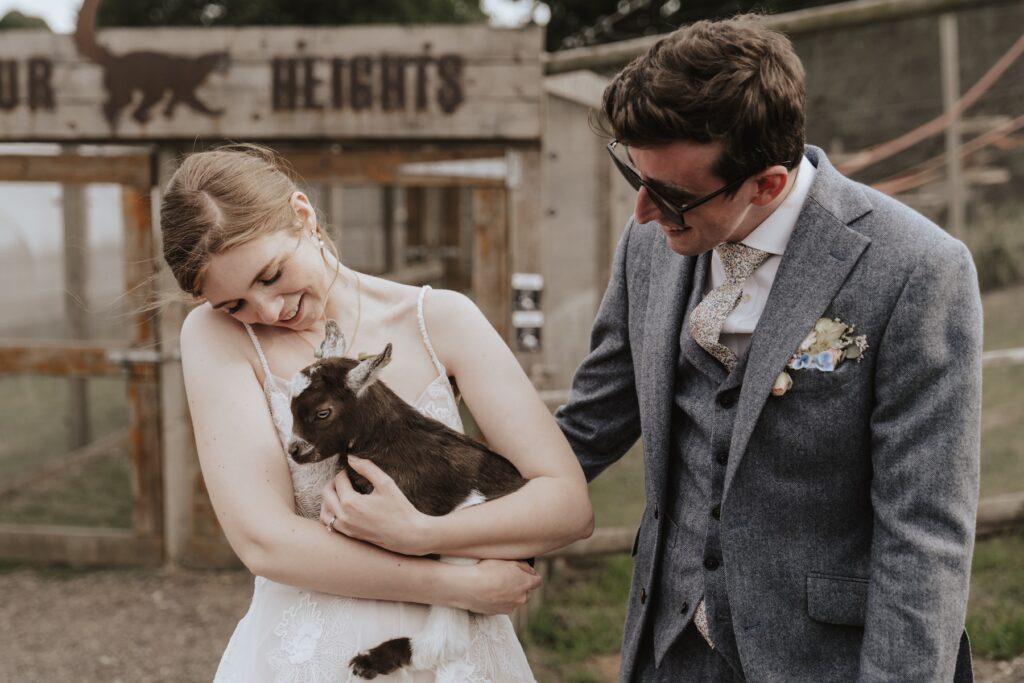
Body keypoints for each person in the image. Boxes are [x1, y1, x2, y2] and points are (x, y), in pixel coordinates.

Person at [554, 15, 981, 683]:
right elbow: (583, 427)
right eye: (633, 175)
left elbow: (924, 533)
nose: (641, 211)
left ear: (768, 185)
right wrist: (431, 515)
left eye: (671, 195)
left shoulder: (917, 269)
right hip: (671, 651)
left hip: (827, 662)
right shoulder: (649, 243)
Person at [160, 144, 594, 682]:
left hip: (457, 657)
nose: (268, 311)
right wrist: (452, 584)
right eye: (235, 303)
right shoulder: (216, 337)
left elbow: (567, 506)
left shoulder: (442, 320)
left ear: (303, 215)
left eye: (270, 275)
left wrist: (420, 534)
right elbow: (264, 541)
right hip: (315, 658)